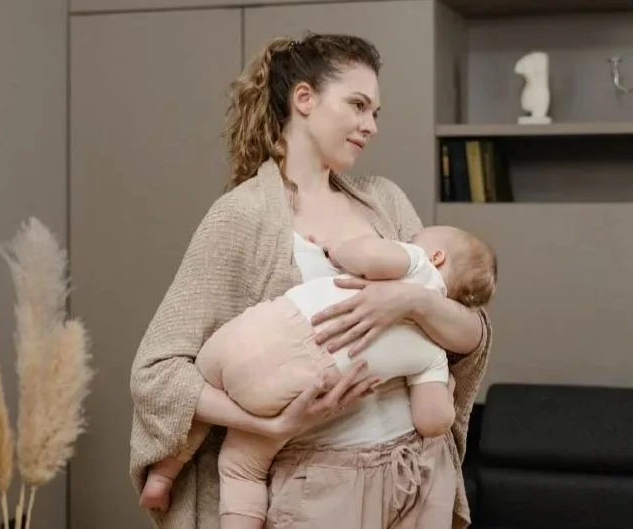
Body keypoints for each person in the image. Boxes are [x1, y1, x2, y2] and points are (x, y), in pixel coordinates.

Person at [129, 32, 493, 529]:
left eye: (376, 113)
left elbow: (471, 335)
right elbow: (159, 374)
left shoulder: (384, 201)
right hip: (316, 485)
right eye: (358, 105)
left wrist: (407, 300)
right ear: (304, 99)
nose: (370, 125)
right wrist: (268, 423)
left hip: (417, 472)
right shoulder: (242, 218)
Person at [137, 224, 497, 527]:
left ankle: (164, 473)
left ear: (436, 258)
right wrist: (446, 388)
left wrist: (338, 249)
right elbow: (432, 419)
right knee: (243, 469)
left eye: (418, 238)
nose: (409, 240)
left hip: (258, 332)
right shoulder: (433, 350)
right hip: (303, 388)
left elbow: (368, 257)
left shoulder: (414, 263)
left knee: (204, 377)